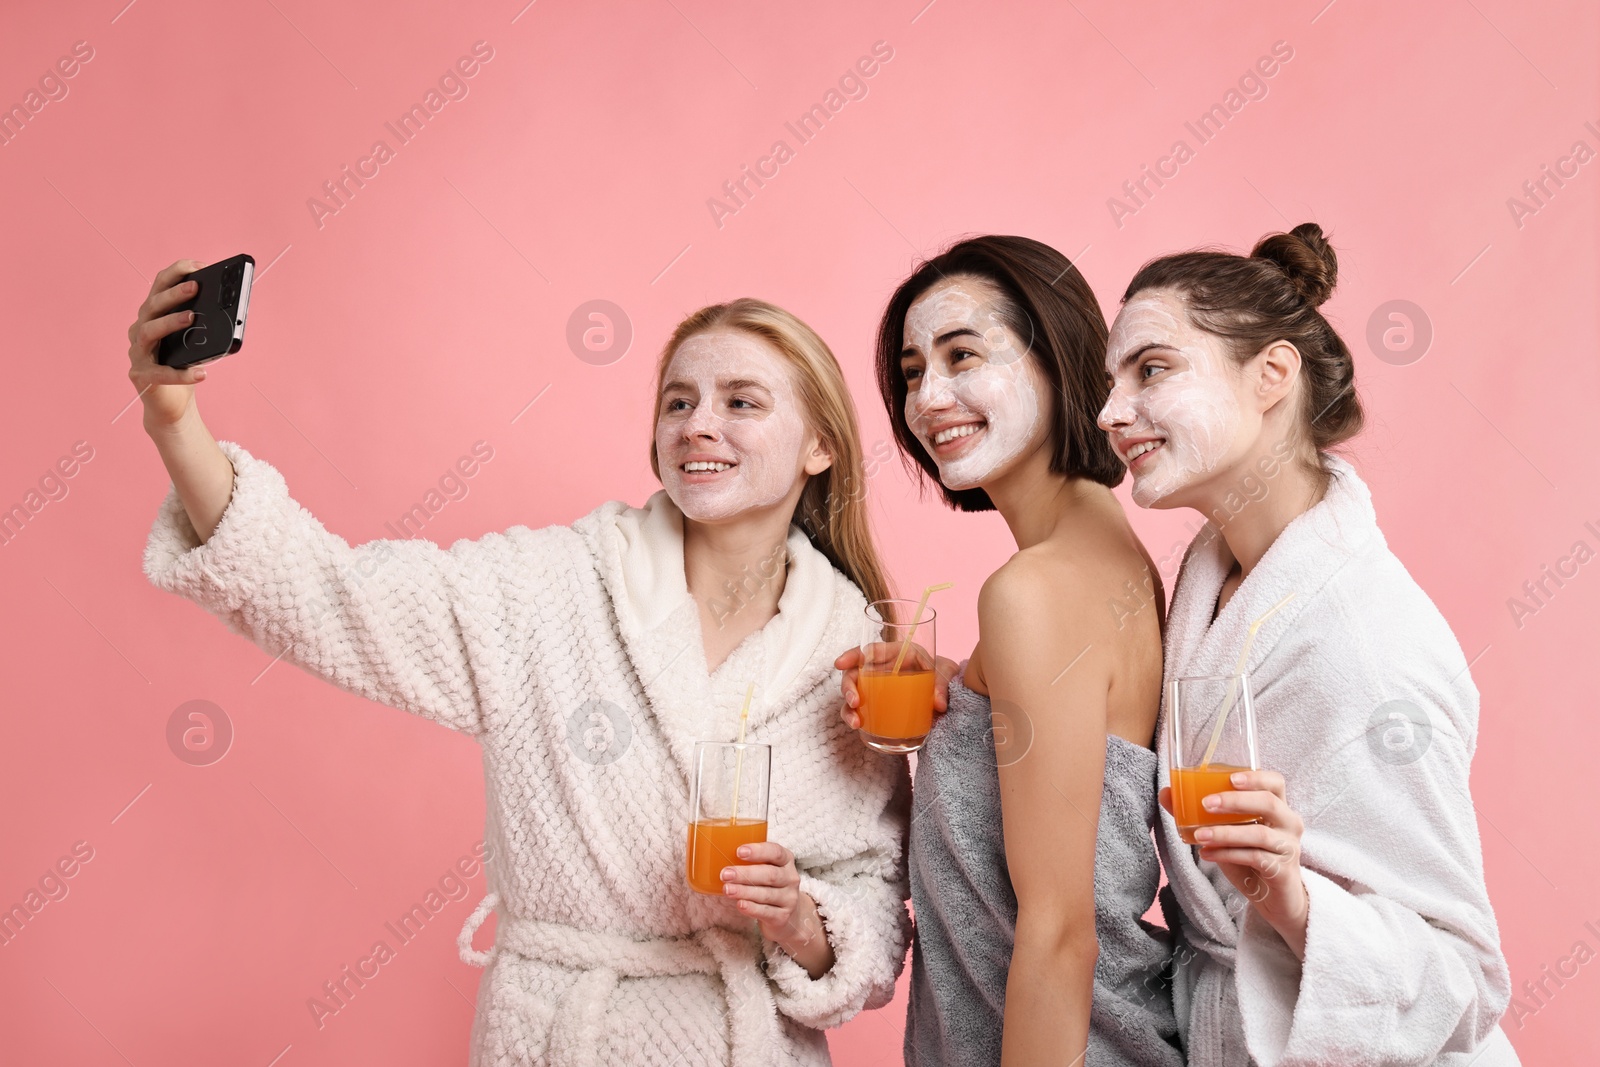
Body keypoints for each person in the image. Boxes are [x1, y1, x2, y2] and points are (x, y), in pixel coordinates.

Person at [129, 263, 913, 1067]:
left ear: (821, 444)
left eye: (741, 401)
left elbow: (877, 912)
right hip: (559, 1034)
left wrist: (800, 921)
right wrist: (173, 417)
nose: (697, 425)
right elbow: (324, 593)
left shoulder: (851, 657)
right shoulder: (551, 588)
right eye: (678, 401)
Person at [1098, 223, 1520, 1066]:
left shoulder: (1368, 640)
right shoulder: (1214, 578)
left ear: (1273, 375)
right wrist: (965, 698)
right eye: (1110, 382)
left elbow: (1464, 977)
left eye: (1152, 369)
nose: (1110, 412)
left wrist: (1292, 898)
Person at [838, 236, 1185, 1066]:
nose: (930, 396)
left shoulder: (1032, 589)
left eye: (965, 355)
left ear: (1060, 360)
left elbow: (1062, 933)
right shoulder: (1107, 553)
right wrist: (963, 697)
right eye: (914, 370)